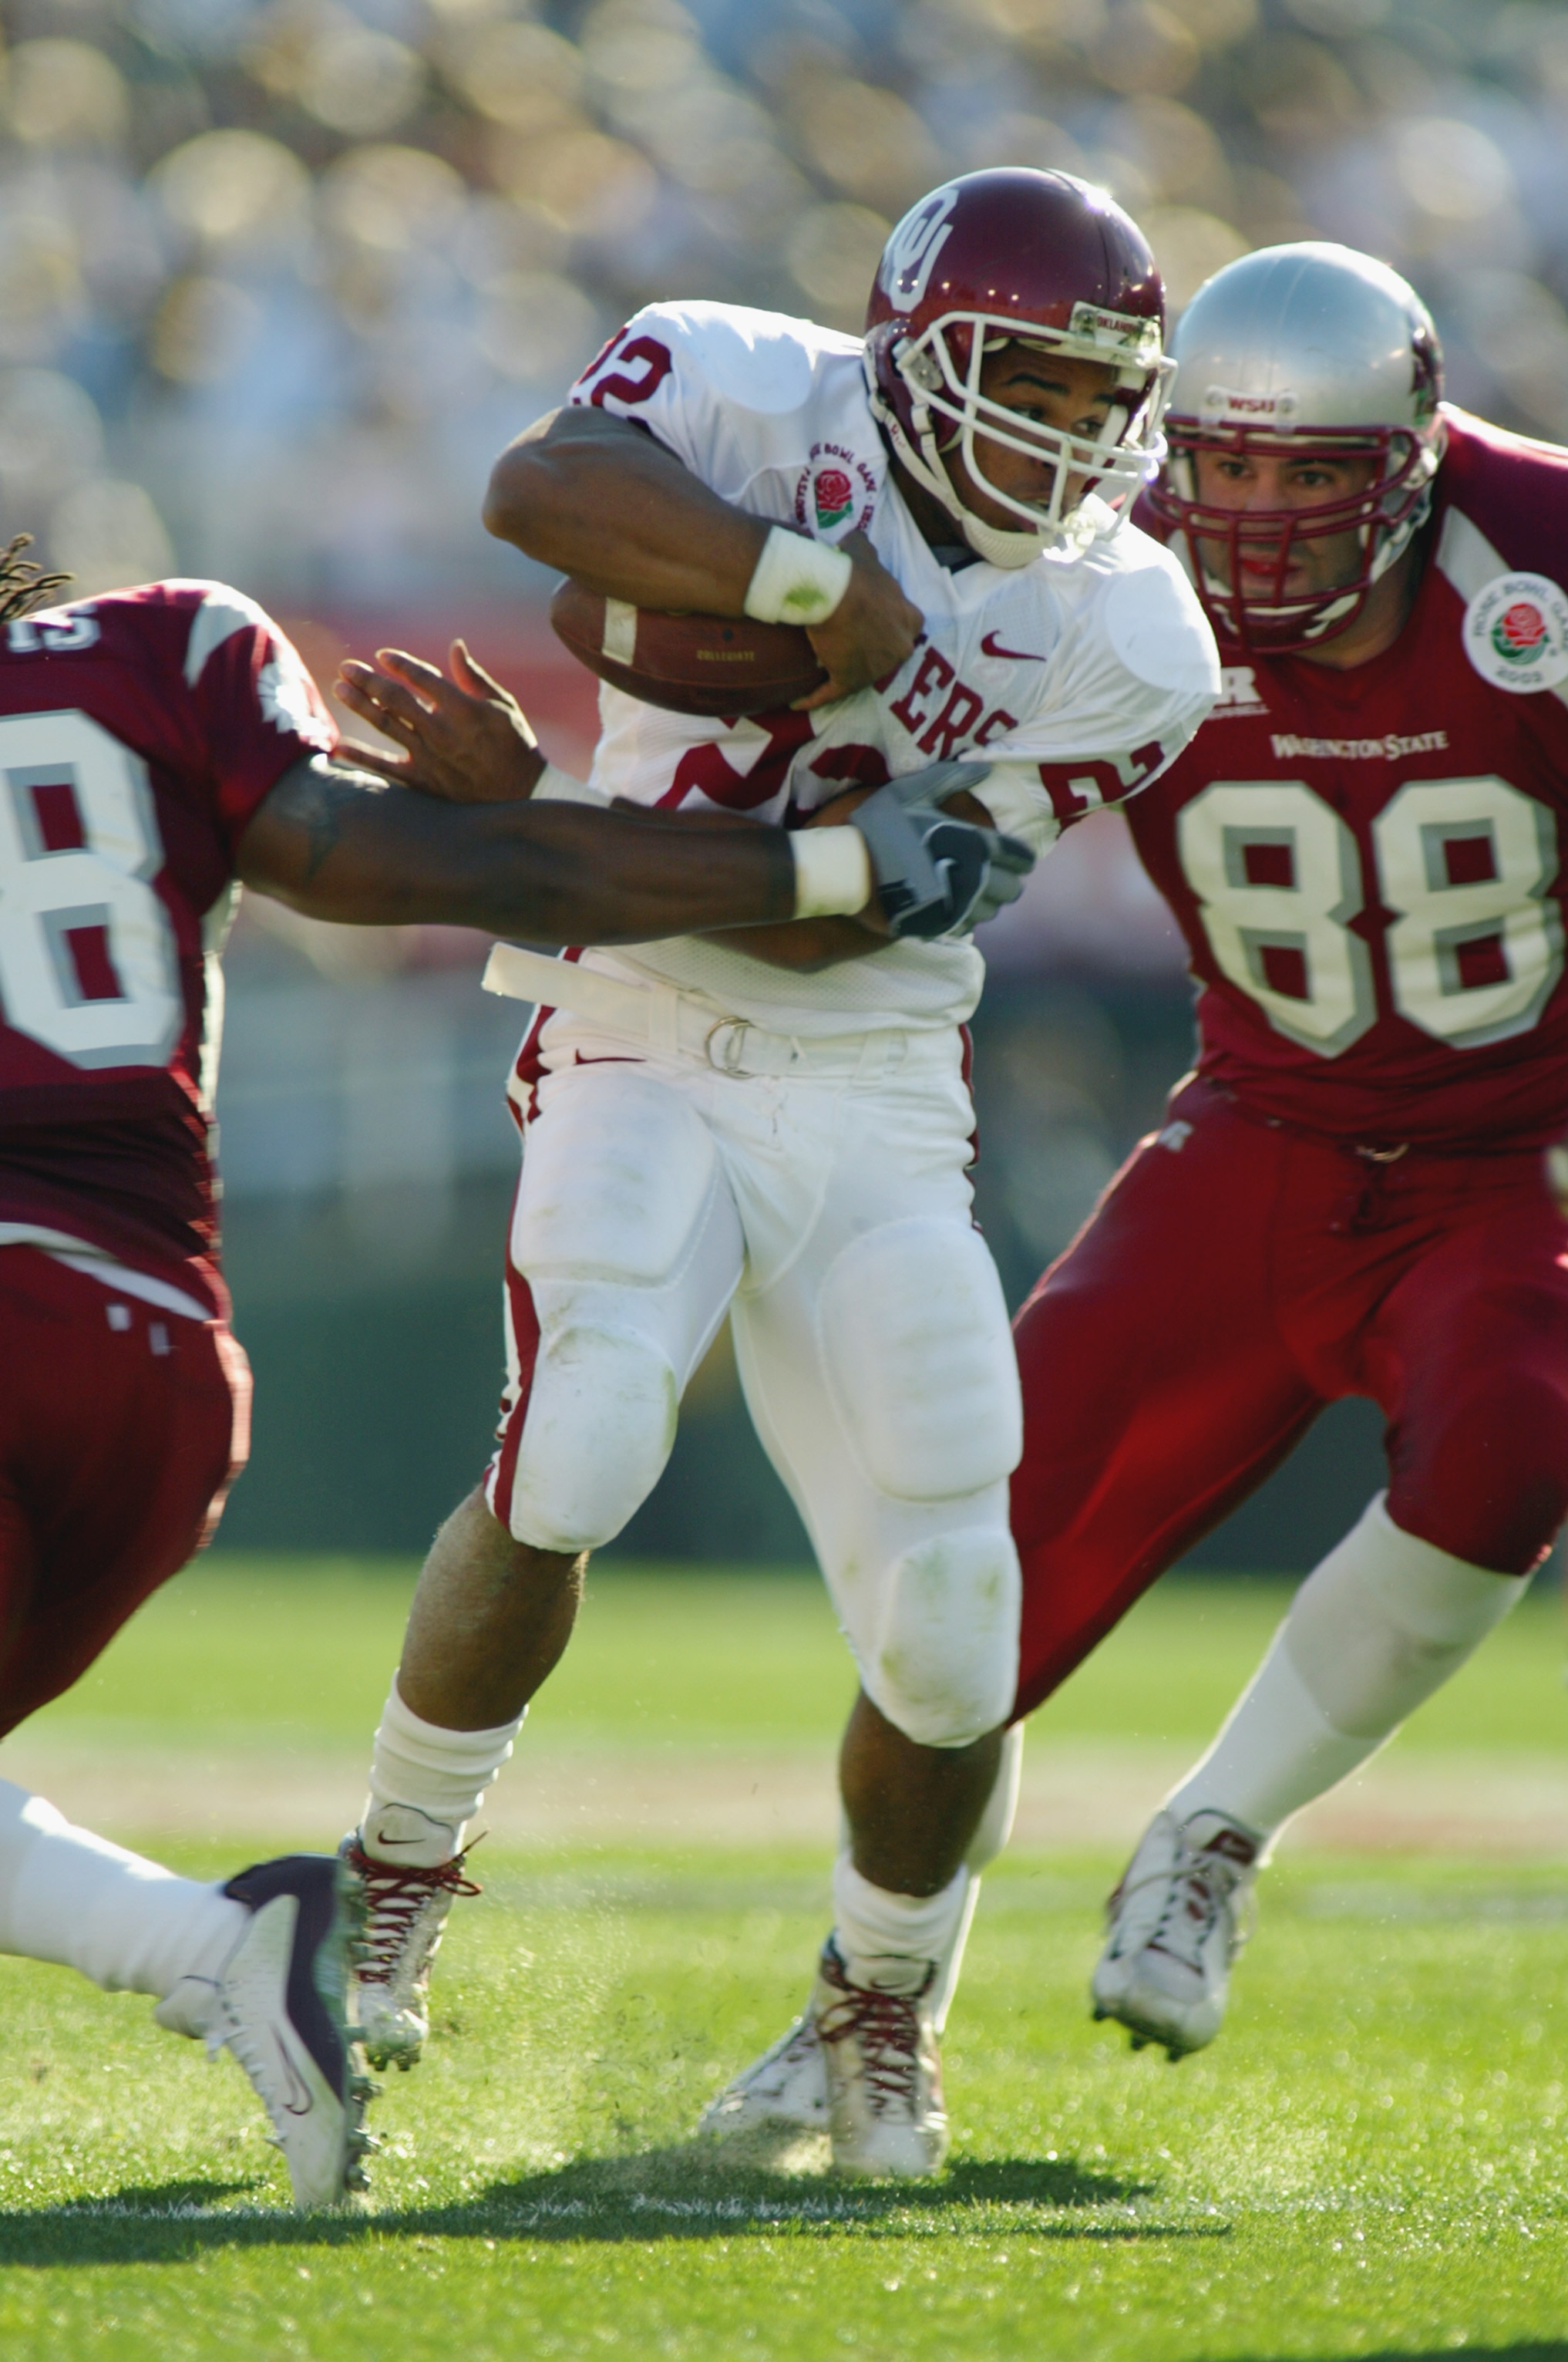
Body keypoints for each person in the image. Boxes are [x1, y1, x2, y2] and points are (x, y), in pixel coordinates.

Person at [335, 165, 1218, 2179]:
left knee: (958, 1601)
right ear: (914, 349)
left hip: (880, 1070)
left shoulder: (1124, 623)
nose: (1073, 438)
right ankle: (393, 1863)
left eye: (1107, 398)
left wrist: (544, 831)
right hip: (638, 1026)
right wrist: (821, 594)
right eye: (1032, 381)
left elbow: (857, 915)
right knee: (576, 1442)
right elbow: (541, 499)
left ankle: (876, 2006)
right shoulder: (752, 384)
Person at [0, 559, 1001, 2211]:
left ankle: (245, 1934)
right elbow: (484, 860)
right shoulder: (159, 646)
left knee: (898, 1538)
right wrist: (828, 859)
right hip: (155, 1359)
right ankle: (232, 1940)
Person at [1007, 239, 1568, 2059]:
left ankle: (1210, 1832)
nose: (1255, 516)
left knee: (1514, 1437)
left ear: (1409, 452)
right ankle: (868, 1992)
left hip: (1523, 1142)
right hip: (1267, 1113)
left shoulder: (1547, 560)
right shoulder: (1100, 570)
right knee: (978, 1524)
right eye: (1223, 466)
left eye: (1310, 472)